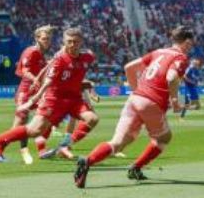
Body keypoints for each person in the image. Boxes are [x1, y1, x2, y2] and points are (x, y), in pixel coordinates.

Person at [74, 26, 193, 188]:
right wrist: (175, 101)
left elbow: (129, 67)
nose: (190, 47)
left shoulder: (158, 52)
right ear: (186, 42)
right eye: (190, 44)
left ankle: (87, 161)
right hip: (151, 103)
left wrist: (136, 90)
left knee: (118, 143)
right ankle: (136, 168)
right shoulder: (181, 57)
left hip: (135, 99)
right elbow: (171, 78)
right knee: (164, 138)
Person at [0, 27, 99, 162]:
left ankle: (62, 146)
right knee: (32, 129)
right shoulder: (52, 57)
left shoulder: (86, 58)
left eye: (75, 42)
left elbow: (50, 71)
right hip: (46, 96)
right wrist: (35, 96)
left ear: (81, 42)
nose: (72, 45)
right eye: (69, 42)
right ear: (64, 42)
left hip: (72, 99)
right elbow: (45, 79)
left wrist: (90, 87)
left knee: (91, 118)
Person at [11, 25, 54, 164]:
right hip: (25, 92)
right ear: (37, 39)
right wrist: (35, 79)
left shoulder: (41, 55)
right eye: (44, 38)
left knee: (48, 118)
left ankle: (41, 150)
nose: (47, 41)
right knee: (19, 126)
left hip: (36, 92)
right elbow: (25, 71)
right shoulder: (31, 52)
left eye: (49, 39)